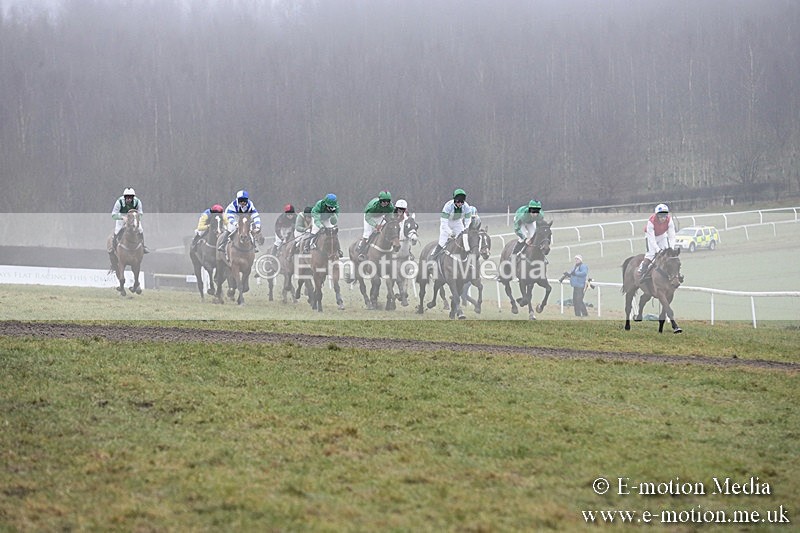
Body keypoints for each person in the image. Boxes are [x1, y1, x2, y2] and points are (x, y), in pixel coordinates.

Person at [431, 188, 472, 258]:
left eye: (462, 202)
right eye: (458, 202)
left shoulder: (466, 207)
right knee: (442, 242)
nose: (460, 204)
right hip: (447, 224)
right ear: (454, 200)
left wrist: (466, 228)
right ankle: (433, 258)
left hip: (457, 223)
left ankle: (469, 259)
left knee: (464, 239)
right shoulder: (448, 206)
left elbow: (468, 220)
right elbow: (444, 223)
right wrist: (450, 232)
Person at [638, 203, 677, 275]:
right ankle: (642, 269)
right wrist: (657, 249)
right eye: (660, 216)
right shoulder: (651, 221)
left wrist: (671, 248)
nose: (663, 218)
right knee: (651, 254)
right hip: (651, 236)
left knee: (666, 253)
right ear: (656, 215)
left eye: (665, 216)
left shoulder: (669, 220)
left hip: (662, 235)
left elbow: (672, 236)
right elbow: (652, 239)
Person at [356, 190, 394, 260]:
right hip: (369, 216)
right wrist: (375, 225)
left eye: (387, 201)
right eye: (383, 201)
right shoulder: (373, 206)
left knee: (386, 231)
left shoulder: (391, 206)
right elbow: (368, 217)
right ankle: (362, 252)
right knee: (367, 234)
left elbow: (390, 216)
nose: (385, 203)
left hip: (380, 216)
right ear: (380, 200)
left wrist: (388, 221)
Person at [111, 187, 149, 253]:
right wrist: (122, 217)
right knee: (117, 231)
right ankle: (113, 248)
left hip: (133, 218)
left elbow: (140, 213)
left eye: (130, 197)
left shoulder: (137, 202)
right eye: (127, 197)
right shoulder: (119, 202)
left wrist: (135, 218)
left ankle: (143, 247)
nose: (129, 199)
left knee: (140, 229)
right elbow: (113, 215)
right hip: (122, 218)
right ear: (124, 197)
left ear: (133, 197)